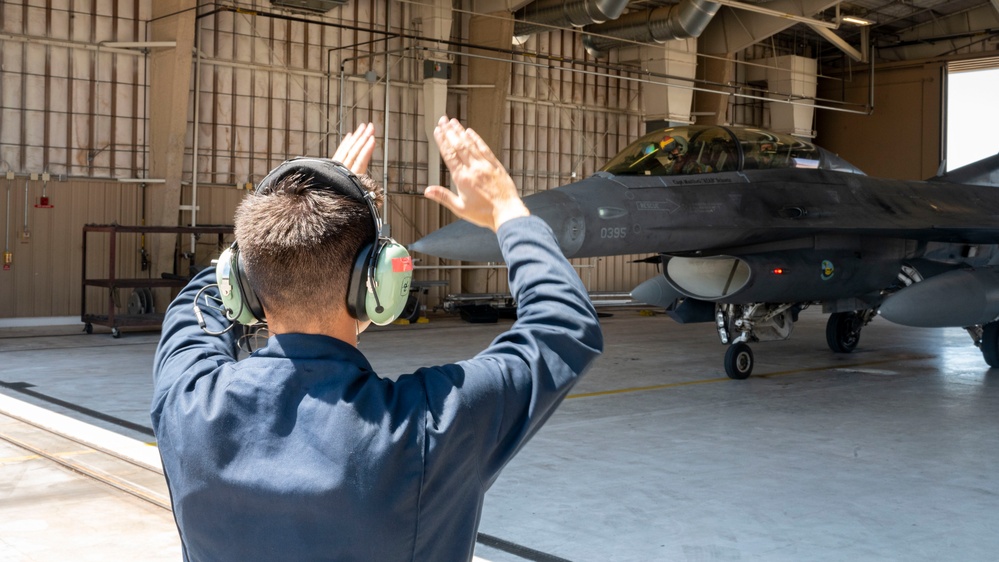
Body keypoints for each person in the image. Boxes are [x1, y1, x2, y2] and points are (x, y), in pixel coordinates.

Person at [150, 116, 603, 561]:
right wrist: (507, 210)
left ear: (242, 286)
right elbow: (562, 328)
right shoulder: (428, 424)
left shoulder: (186, 401)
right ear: (379, 284)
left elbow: (202, 299)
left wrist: (289, 221)